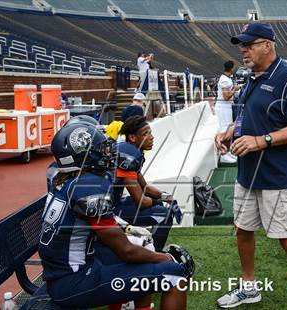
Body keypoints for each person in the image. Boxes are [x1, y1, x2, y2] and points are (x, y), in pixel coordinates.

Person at [215, 22, 287, 310]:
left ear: (268, 46)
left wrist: (262, 140)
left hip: (280, 177)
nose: (243, 50)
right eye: (241, 45)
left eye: (249, 44)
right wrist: (229, 132)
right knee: (243, 231)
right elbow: (246, 117)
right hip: (248, 175)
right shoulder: (249, 78)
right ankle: (249, 288)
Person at [39, 122, 192, 309]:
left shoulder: (65, 180)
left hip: (64, 272)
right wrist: (165, 257)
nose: (107, 153)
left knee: (142, 256)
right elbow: (126, 251)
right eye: (100, 149)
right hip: (73, 281)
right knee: (175, 274)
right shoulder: (87, 188)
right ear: (82, 155)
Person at [112, 116, 182, 251]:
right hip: (108, 211)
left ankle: (146, 247)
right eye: (145, 134)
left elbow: (145, 187)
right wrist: (158, 201)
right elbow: (141, 201)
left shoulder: (131, 151)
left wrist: (166, 197)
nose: (151, 137)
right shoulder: (128, 155)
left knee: (162, 205)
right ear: (132, 138)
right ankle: (153, 255)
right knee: (164, 215)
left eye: (150, 132)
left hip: (112, 204)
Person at [215, 60, 240, 164]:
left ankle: (227, 152)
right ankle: (224, 155)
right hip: (223, 107)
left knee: (229, 129)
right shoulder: (224, 80)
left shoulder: (227, 78)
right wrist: (235, 89)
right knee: (225, 130)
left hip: (227, 107)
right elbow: (226, 97)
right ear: (232, 68)